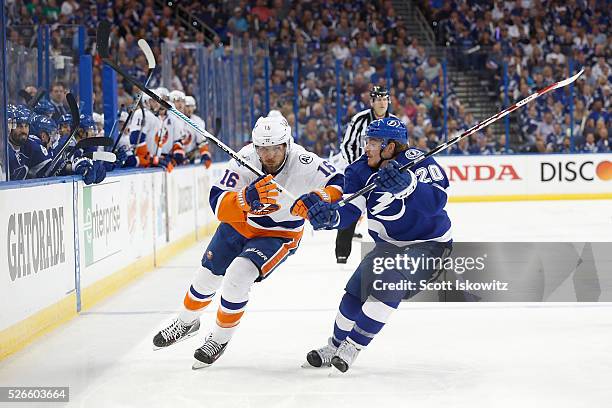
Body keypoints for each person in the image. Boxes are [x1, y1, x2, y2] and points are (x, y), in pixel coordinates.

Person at [152, 112, 344, 368]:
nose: (270, 156)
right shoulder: (245, 159)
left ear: (287, 143)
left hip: (280, 233)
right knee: (206, 276)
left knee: (238, 275)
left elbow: (339, 183)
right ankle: (187, 322)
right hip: (239, 225)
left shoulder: (304, 161)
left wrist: (320, 197)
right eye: (264, 149)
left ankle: (219, 338)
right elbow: (218, 203)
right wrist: (244, 199)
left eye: (276, 148)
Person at [298, 118, 452, 372]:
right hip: (388, 246)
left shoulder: (419, 162)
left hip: (430, 244)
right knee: (354, 293)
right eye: (367, 141)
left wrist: (409, 187)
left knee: (390, 283)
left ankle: (352, 347)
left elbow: (437, 202)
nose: (367, 147)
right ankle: (335, 345)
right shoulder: (359, 170)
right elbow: (350, 210)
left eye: (373, 142)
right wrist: (332, 217)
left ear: (391, 147)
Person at [336, 86, 399, 264]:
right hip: (359, 171)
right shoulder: (360, 119)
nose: (382, 102)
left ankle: (390, 250)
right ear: (371, 102)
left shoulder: (394, 121)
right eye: (378, 99)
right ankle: (342, 254)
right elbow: (347, 145)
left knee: (387, 210)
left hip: (383, 173)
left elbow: (400, 148)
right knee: (350, 209)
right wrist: (355, 169)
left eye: (385, 99)